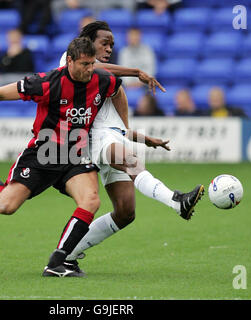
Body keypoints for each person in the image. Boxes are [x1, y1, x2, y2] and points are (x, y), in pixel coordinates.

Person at [0, 37, 123, 278]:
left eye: (92, 63)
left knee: (91, 200)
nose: (89, 69)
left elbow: (118, 91)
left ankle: (57, 262)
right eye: (84, 64)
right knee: (5, 207)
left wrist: (123, 130)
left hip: (75, 156)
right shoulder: (46, 83)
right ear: (70, 61)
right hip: (42, 155)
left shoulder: (103, 79)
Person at [59, 21, 204, 273]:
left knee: (125, 212)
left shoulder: (107, 80)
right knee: (131, 160)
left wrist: (142, 138)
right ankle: (176, 201)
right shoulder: (73, 59)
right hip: (92, 139)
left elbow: (116, 125)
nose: (109, 48)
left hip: (112, 138)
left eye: (112, 45)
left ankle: (65, 255)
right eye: (104, 43)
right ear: (88, 43)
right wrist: (136, 71)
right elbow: (98, 68)